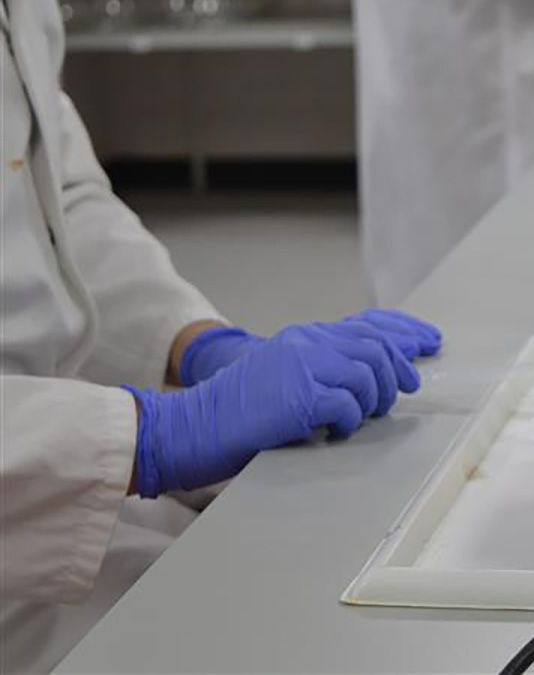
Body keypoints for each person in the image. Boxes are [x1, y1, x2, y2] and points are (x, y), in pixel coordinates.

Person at [0, 3, 441, 672]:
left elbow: (56, 192)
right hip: (22, 536)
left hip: (58, 477)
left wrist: (193, 343)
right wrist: (156, 435)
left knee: (323, 548)